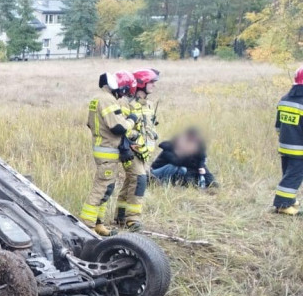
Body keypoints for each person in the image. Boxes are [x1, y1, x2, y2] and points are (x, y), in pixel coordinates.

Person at [79, 71, 136, 236]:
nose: (123, 95)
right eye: (124, 90)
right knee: (100, 189)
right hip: (107, 153)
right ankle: (87, 226)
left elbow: (92, 125)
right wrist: (132, 120)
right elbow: (118, 127)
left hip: (105, 151)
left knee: (107, 189)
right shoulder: (107, 100)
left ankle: (98, 224)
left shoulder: (98, 99)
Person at [115, 68, 161, 230]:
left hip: (144, 152)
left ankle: (120, 216)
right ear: (141, 83)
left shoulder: (149, 104)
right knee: (140, 180)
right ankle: (132, 219)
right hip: (130, 150)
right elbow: (121, 126)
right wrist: (133, 139)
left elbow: (149, 126)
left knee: (130, 182)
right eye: (151, 82)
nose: (154, 86)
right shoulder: (126, 103)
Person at [273, 66, 303, 215]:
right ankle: (283, 204)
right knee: (294, 175)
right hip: (299, 148)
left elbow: (278, 125)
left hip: (284, 145)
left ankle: (289, 199)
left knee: (288, 173)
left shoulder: (285, 99)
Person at [152, 128, 217, 187]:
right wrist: (194, 164)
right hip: (155, 172)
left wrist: (201, 166)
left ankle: (211, 184)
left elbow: (202, 157)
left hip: (176, 168)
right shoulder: (169, 150)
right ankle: (163, 184)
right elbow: (177, 162)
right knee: (176, 167)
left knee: (186, 169)